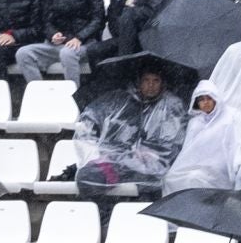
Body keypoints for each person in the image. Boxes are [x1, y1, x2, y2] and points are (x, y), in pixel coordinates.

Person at [73, 63, 189, 194]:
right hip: (118, 160)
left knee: (151, 183)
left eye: (156, 81)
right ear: (139, 82)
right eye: (146, 80)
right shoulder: (120, 100)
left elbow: (173, 144)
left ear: (162, 83)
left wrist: (149, 153)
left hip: (152, 164)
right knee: (88, 177)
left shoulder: (172, 105)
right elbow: (90, 120)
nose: (151, 85)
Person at [162, 79, 241, 194]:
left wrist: (238, 163)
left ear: (216, 99)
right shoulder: (195, 122)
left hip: (220, 166)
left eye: (209, 98)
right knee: (171, 178)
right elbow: (188, 151)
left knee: (195, 178)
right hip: (196, 165)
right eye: (201, 100)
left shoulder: (232, 116)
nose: (206, 102)